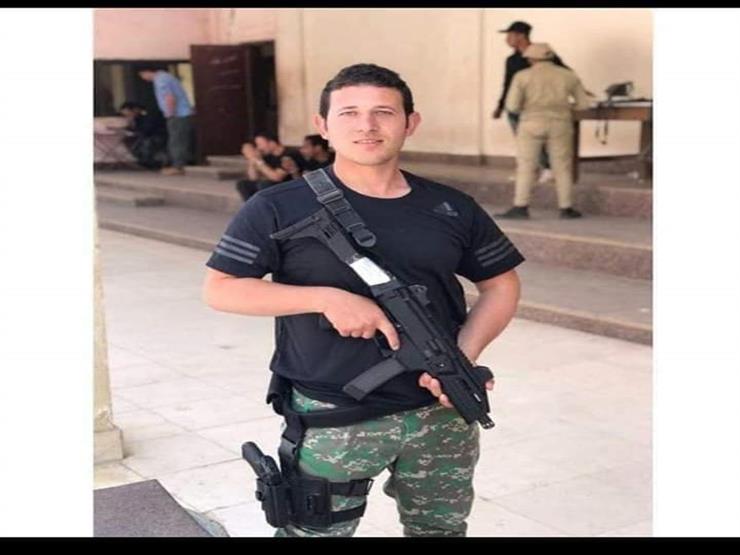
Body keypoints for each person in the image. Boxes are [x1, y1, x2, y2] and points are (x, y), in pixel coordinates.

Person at [203, 63, 524, 537]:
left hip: (439, 412)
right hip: (334, 414)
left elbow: (502, 284)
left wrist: (462, 355)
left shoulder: (451, 206)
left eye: (384, 112)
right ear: (323, 125)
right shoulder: (277, 206)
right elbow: (221, 288)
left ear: (410, 123)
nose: (367, 125)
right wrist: (325, 298)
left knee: (441, 532)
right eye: (349, 112)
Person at [497, 43, 591, 219]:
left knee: (526, 166)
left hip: (530, 123)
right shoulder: (568, 75)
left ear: (531, 59)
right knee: (562, 166)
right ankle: (566, 208)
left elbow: (512, 106)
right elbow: (584, 104)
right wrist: (564, 108)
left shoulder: (522, 76)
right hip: (560, 124)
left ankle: (521, 206)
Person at [492, 21, 570, 184]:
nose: (507, 39)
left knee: (540, 139)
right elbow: (507, 84)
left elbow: (565, 73)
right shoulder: (512, 60)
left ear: (521, 36)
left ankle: (548, 169)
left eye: (510, 35)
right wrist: (500, 106)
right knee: (524, 142)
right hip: (515, 107)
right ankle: (529, 172)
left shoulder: (543, 55)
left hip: (537, 107)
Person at [137, 66, 195, 176]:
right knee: (180, 139)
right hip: (182, 114)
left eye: (142, 75)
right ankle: (180, 164)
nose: (144, 78)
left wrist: (169, 113)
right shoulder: (167, 77)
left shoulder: (161, 80)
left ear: (146, 72)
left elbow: (169, 97)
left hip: (178, 114)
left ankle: (178, 166)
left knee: (176, 140)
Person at [235, 132, 303, 201]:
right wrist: (252, 159)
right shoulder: (267, 155)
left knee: (265, 184)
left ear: (272, 143)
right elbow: (253, 178)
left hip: (290, 186)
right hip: (273, 186)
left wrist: (259, 161)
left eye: (260, 144)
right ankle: (252, 207)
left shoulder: (289, 154)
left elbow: (277, 177)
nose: (259, 148)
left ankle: (267, 207)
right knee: (243, 184)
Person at [118, 101, 168, 169]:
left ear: (135, 110)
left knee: (146, 143)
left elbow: (147, 130)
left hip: (157, 135)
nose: (128, 116)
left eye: (129, 114)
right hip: (144, 136)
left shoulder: (148, 116)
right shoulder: (137, 119)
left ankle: (148, 162)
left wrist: (135, 127)